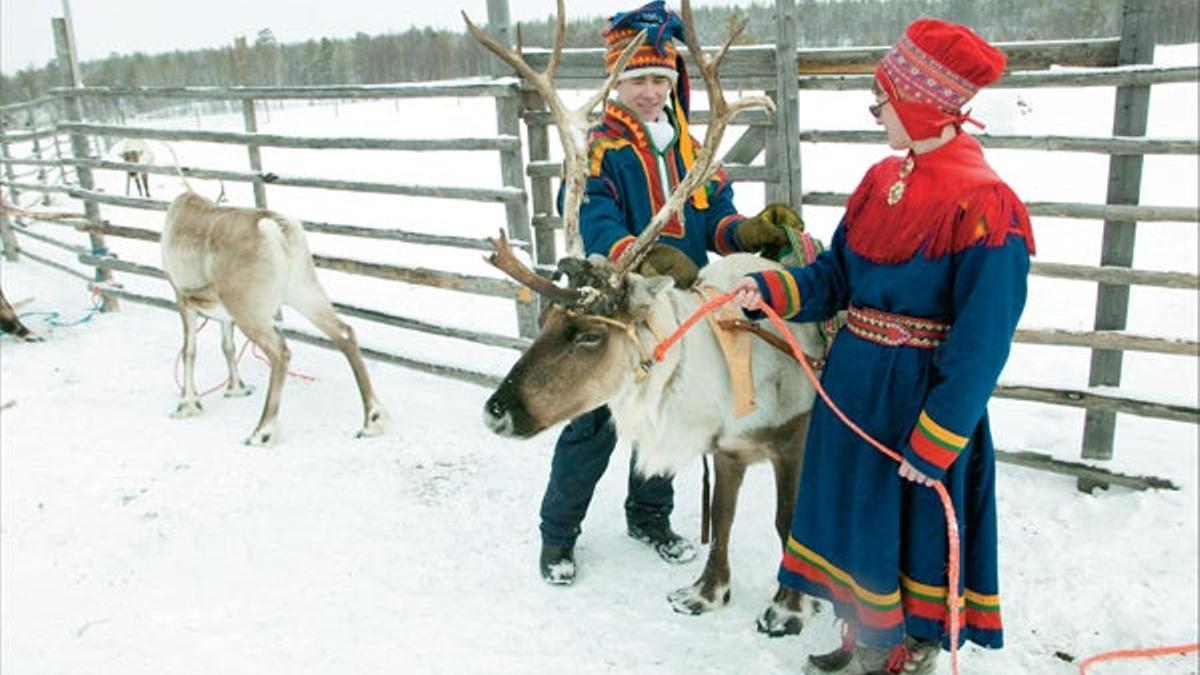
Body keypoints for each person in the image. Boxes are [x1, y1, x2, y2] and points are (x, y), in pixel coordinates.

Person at [730, 19, 1035, 675]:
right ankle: (866, 635)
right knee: (855, 516)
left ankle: (902, 649)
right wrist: (773, 288)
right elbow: (837, 277)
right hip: (854, 386)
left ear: (923, 101)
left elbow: (985, 341)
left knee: (907, 528)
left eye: (883, 100)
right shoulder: (877, 180)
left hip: (916, 400)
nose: (875, 113)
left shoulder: (987, 203)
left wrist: (940, 436)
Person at [538, 0, 801, 586]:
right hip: (611, 305)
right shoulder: (598, 146)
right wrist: (638, 251)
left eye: (661, 78)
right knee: (595, 425)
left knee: (670, 409)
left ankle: (649, 516)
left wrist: (747, 233)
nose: (652, 92)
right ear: (617, 82)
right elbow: (590, 214)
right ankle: (557, 534)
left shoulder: (689, 145)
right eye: (638, 81)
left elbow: (717, 219)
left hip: (674, 307)